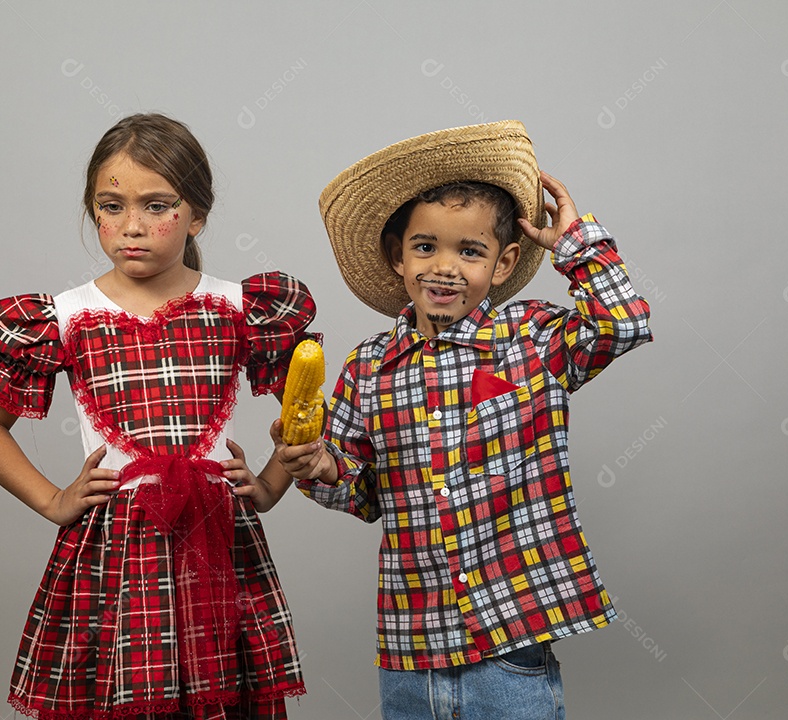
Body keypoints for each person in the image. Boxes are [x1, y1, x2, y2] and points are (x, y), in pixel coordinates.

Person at [274, 121, 652, 719]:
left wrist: (576, 242)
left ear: (502, 264)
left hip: (512, 636)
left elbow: (622, 324)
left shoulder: (529, 339)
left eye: (469, 251)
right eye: (425, 247)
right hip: (412, 645)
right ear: (397, 257)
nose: (444, 268)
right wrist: (319, 465)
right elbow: (357, 490)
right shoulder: (368, 368)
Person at [0, 113, 308, 720]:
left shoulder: (237, 308)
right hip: (116, 547)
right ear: (92, 210)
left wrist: (271, 486)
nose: (132, 227)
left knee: (223, 691)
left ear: (196, 214)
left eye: (157, 206)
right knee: (119, 691)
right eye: (111, 206)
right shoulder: (65, 317)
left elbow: (306, 412)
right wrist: (52, 500)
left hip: (217, 543)